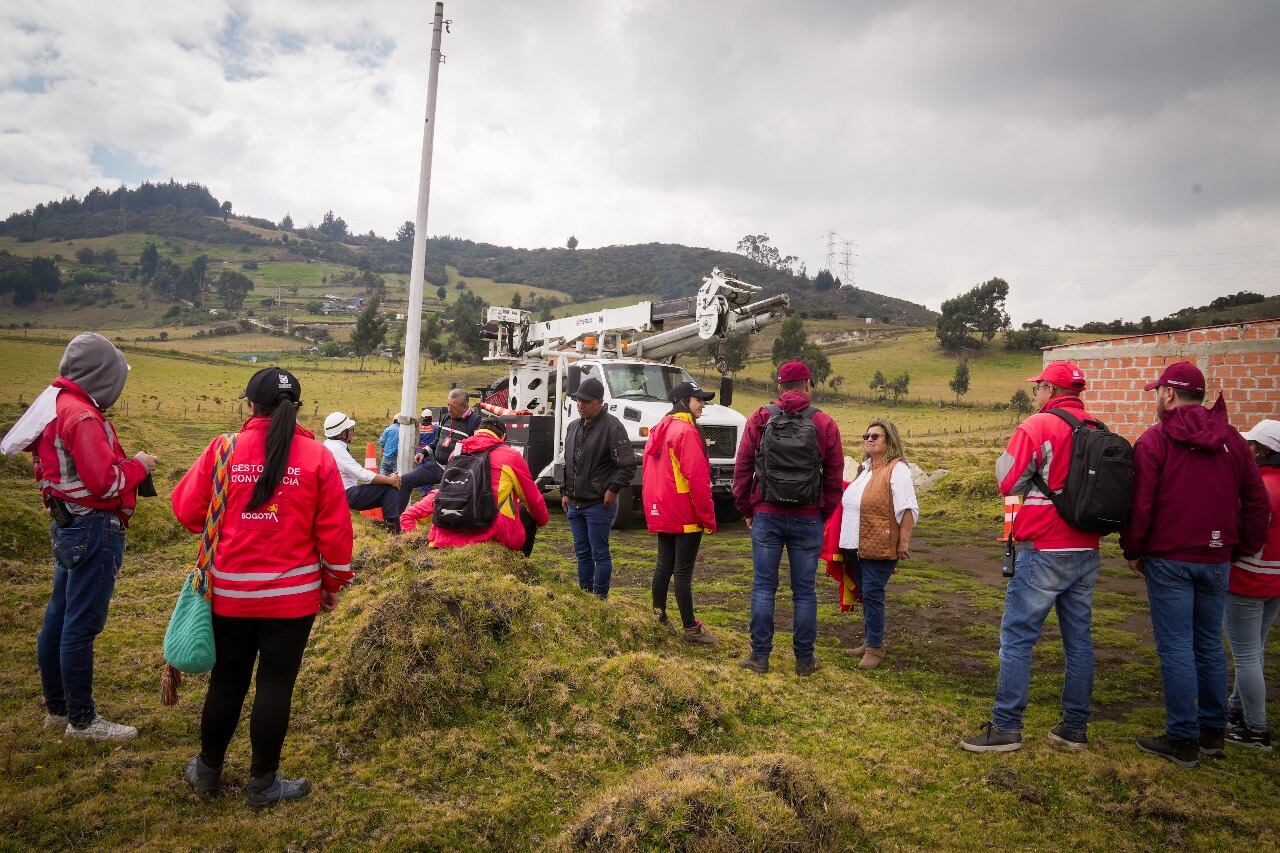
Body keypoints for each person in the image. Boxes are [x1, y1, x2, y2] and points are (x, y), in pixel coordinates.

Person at [172, 366, 353, 808]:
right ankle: (263, 784)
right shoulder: (318, 457)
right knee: (276, 684)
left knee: (227, 682)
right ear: (297, 409)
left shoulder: (224, 448)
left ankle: (208, 771)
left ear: (250, 405)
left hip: (230, 594)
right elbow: (335, 535)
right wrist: (332, 583)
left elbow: (187, 512)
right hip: (293, 600)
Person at [8, 333, 157, 741]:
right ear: (101, 375)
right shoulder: (84, 416)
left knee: (59, 615)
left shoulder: (55, 405)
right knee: (80, 624)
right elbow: (104, 483)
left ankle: (58, 710)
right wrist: (140, 465)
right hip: (92, 526)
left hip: (67, 522)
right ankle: (83, 721)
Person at [1121, 361, 1268, 767]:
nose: (1156, 398)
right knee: (1209, 644)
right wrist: (1239, 548)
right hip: (1217, 559)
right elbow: (1256, 503)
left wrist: (1133, 549)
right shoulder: (1235, 443)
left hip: (1169, 558)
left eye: (1157, 391)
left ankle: (1182, 737)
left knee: (1176, 647)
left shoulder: (1153, 442)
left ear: (1168, 393)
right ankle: (1212, 733)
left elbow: (1141, 505)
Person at [962, 361, 1102, 754]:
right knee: (1079, 641)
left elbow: (1008, 481)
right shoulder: (1097, 428)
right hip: (1087, 547)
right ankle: (1074, 728)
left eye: (1038, 387)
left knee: (1018, 637)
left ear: (1050, 390)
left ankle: (1007, 726)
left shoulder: (1037, 426)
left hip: (1042, 545)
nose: (1035, 394)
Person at [732, 360, 843, 677]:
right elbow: (834, 479)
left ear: (779, 387)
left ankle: (759, 658)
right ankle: (805, 661)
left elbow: (743, 468)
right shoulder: (824, 423)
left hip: (766, 514)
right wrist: (822, 512)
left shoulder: (760, 417)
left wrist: (746, 509)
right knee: (804, 591)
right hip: (808, 517)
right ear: (808, 385)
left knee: (764, 587)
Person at [825, 419, 919, 670]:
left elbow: (908, 508)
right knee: (866, 593)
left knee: (873, 594)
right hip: (854, 542)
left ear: (889, 440)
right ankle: (870, 641)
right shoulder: (865, 469)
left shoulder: (897, 470)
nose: (869, 439)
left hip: (880, 542)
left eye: (876, 436)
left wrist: (904, 541)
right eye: (867, 435)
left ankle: (876, 648)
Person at [400, 417, 549, 555]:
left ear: (476, 432)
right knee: (523, 510)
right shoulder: (511, 456)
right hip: (493, 533)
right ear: (503, 437)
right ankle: (521, 562)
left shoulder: (456, 452)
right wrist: (542, 521)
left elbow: (408, 516)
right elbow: (533, 500)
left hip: (446, 534)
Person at [643, 381, 718, 645]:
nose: (703, 404)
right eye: (699, 400)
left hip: (662, 509)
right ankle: (690, 629)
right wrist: (708, 517)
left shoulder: (658, 429)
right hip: (685, 512)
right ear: (684, 401)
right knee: (683, 572)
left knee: (664, 565)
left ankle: (659, 617)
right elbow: (697, 479)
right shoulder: (686, 431)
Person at [1224, 418, 1280, 750]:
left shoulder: (1258, 487)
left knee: (1246, 655)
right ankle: (1236, 710)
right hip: (1275, 579)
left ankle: (1256, 729)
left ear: (1263, 451)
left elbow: (1242, 533)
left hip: (1248, 576)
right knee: (1254, 651)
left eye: (1252, 446)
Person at [562, 377, 638, 599]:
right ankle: (586, 597)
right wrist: (565, 492)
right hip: (575, 504)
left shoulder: (613, 427)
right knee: (582, 553)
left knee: (599, 554)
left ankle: (599, 599)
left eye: (585, 401)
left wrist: (612, 490)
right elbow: (569, 462)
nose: (580, 404)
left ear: (599, 402)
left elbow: (627, 465)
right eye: (578, 400)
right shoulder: (573, 427)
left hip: (598, 504)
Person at [397, 389, 482, 511]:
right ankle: (394, 522)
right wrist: (423, 452)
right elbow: (436, 441)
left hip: (456, 473)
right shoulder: (447, 417)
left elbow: (477, 452)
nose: (449, 409)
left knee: (442, 501)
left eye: (453, 406)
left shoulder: (475, 422)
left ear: (465, 407)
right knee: (405, 480)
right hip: (436, 467)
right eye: (448, 404)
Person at [322, 412, 402, 531]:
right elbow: (362, 474)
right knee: (389, 488)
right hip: (344, 495)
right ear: (343, 433)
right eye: (351, 429)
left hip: (334, 494)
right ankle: (394, 530)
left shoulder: (328, 444)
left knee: (387, 491)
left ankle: (389, 527)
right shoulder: (337, 449)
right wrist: (390, 480)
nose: (353, 432)